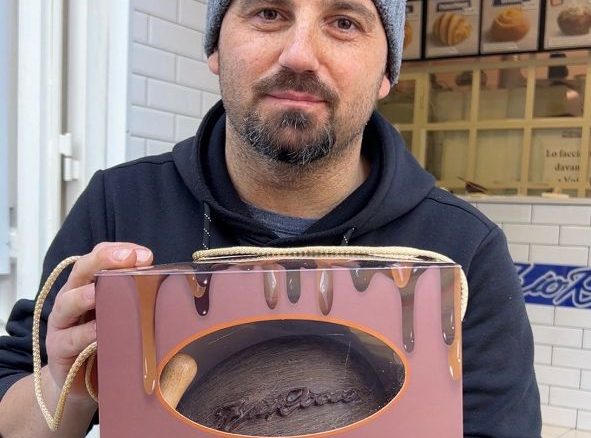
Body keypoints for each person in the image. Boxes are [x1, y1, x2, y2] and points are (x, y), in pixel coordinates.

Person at [0, 0, 541, 436]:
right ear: (215, 46)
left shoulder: (462, 249)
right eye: (268, 13)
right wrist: (64, 388)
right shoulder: (120, 204)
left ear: (386, 71)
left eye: (344, 22)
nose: (300, 55)